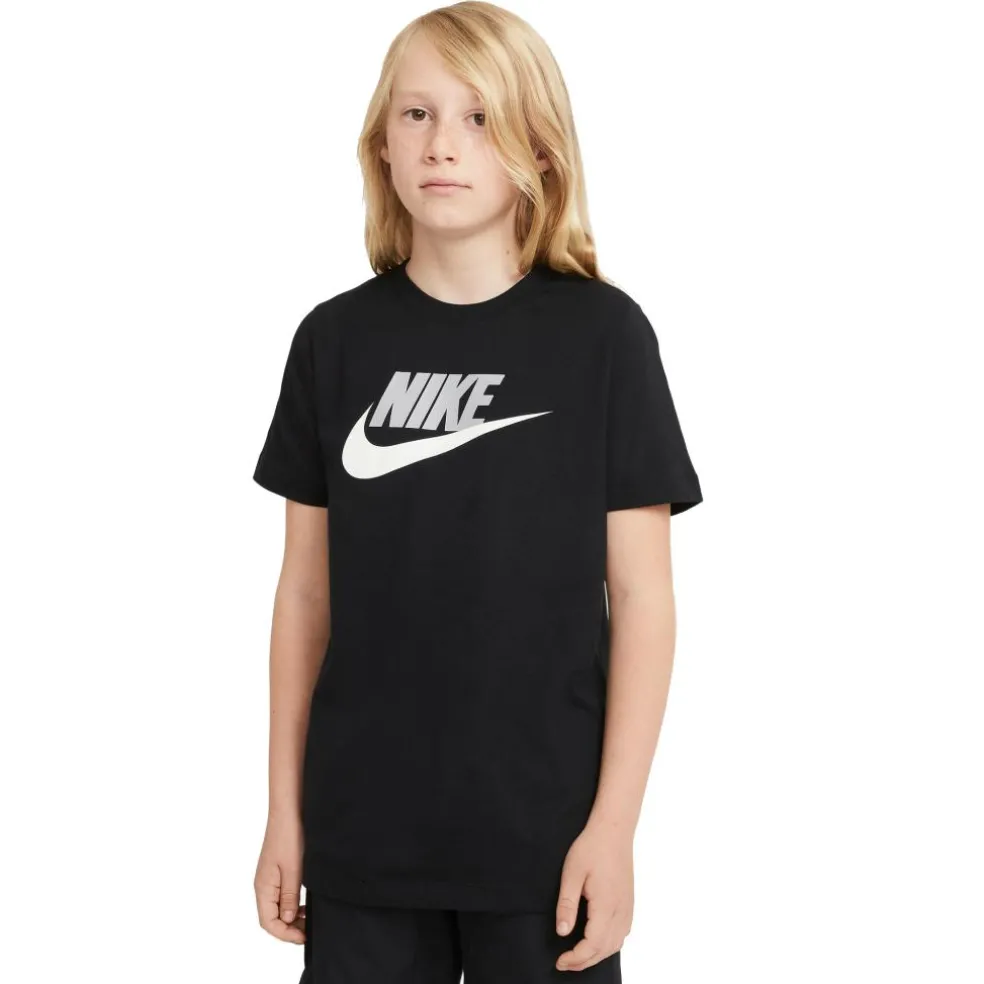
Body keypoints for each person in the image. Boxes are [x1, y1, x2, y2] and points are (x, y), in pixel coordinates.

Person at [251, 3, 703, 981]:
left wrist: (614, 828)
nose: (442, 145)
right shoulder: (334, 341)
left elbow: (644, 598)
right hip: (363, 840)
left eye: (480, 117)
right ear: (381, 142)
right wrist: (284, 813)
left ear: (538, 148)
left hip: (547, 848)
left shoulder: (605, 339)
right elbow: (305, 595)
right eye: (416, 114)